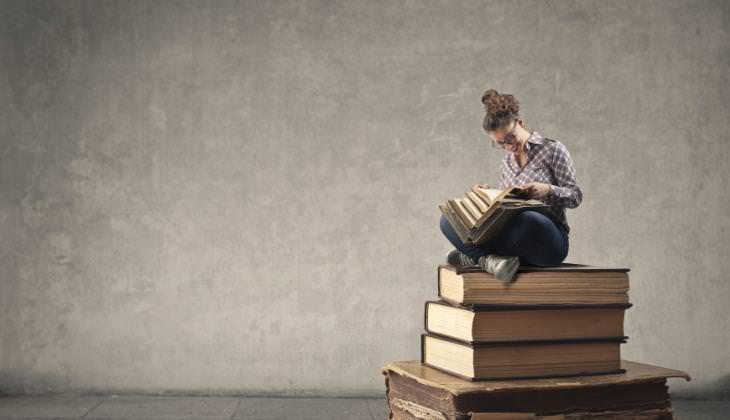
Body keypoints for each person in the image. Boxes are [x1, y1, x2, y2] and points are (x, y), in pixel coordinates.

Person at [439, 89, 583, 282]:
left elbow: (575, 196)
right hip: (513, 238)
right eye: (500, 143)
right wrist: (488, 196)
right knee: (448, 220)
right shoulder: (507, 162)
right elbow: (505, 207)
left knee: (529, 220)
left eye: (510, 137)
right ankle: (489, 261)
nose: (508, 146)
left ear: (520, 124)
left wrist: (547, 190)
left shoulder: (553, 149)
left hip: (546, 238)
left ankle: (475, 257)